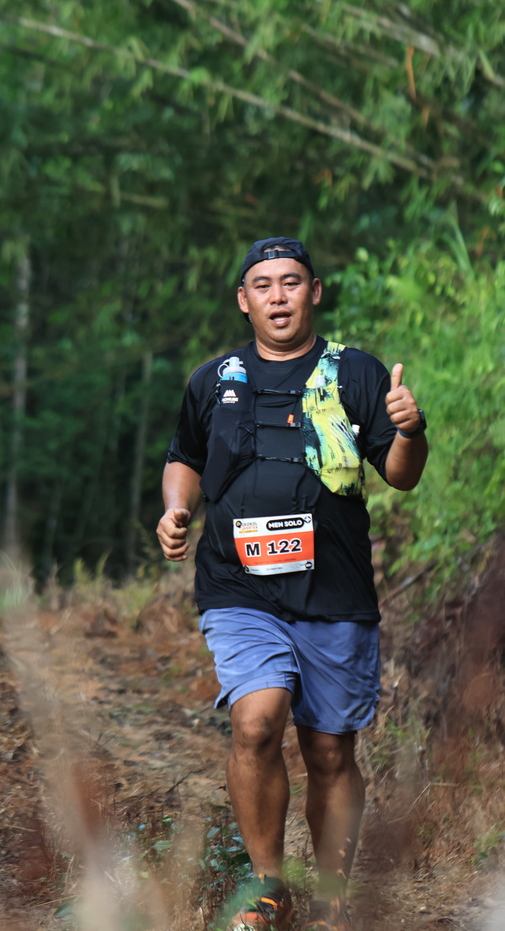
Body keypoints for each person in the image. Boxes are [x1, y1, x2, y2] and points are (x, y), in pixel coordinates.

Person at [156, 237, 428, 931]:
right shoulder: (213, 379)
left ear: (315, 292)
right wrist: (176, 508)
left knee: (330, 749)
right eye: (263, 284)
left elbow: (400, 474)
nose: (278, 295)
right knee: (256, 720)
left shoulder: (354, 373)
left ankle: (331, 896)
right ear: (243, 300)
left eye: (291, 281)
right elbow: (185, 456)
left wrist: (409, 429)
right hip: (238, 585)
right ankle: (267, 886)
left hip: (335, 588)